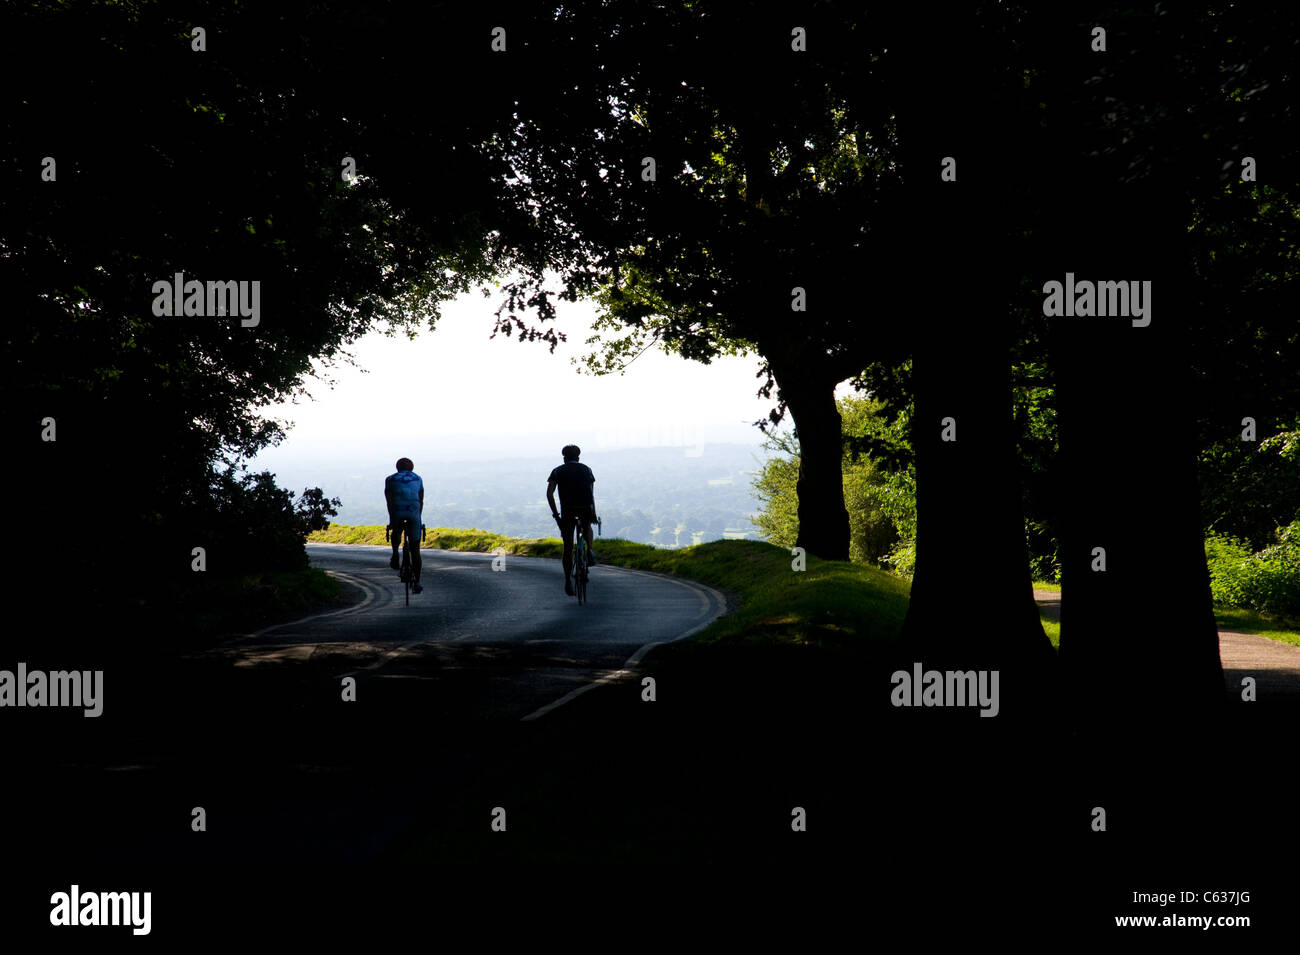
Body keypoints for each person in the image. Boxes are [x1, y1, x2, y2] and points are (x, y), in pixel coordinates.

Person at [546, 444, 598, 596]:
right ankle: (590, 550)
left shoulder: (557, 471)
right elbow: (591, 493)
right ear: (578, 457)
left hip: (567, 510)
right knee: (587, 525)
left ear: (564, 458)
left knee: (567, 547)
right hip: (585, 507)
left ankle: (568, 580)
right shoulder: (586, 469)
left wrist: (556, 515)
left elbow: (549, 494)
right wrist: (593, 512)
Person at [384, 457, 424, 594]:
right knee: (415, 550)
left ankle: (395, 554)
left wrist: (392, 520)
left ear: (397, 468)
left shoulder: (390, 479)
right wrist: (418, 517)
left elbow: (389, 502)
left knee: (396, 531)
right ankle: (417, 582)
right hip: (414, 513)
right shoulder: (418, 479)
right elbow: (420, 501)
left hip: (397, 512)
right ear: (412, 468)